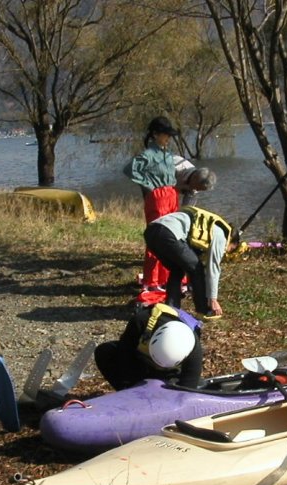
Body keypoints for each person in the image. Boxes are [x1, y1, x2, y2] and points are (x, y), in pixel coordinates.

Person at [143, 205, 242, 319]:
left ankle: (171, 309)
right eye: (230, 250)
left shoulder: (210, 228)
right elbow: (213, 269)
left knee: (177, 269)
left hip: (151, 231)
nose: (226, 252)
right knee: (196, 269)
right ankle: (203, 310)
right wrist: (213, 299)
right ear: (232, 242)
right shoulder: (221, 236)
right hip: (168, 233)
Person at [123, 116, 181, 291]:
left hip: (171, 195)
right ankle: (151, 281)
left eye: (169, 135)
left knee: (171, 237)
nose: (168, 138)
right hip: (158, 197)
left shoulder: (167, 154)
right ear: (155, 134)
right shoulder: (148, 154)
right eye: (165, 134)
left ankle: (165, 278)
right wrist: (149, 187)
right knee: (157, 238)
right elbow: (129, 170)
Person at [94, 302, 203, 390]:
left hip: (170, 375)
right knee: (104, 351)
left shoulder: (193, 346)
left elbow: (188, 385)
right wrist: (131, 389)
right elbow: (124, 355)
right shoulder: (141, 321)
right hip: (140, 362)